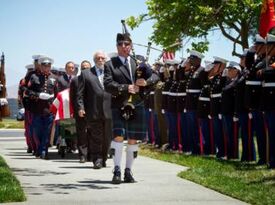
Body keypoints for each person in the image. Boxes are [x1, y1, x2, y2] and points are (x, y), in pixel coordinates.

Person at [104, 33, 159, 184]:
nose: (124, 47)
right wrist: (125, 87)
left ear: (131, 45)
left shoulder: (139, 62)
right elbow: (108, 85)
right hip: (119, 105)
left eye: (127, 44)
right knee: (119, 137)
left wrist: (145, 82)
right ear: (117, 46)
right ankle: (116, 170)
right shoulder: (110, 64)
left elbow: (156, 77)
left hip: (137, 104)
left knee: (133, 139)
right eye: (121, 44)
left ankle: (128, 171)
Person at [77, 51, 112, 169]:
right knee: (96, 136)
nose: (100, 60)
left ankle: (104, 157)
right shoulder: (86, 74)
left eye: (103, 58)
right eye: (98, 58)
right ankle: (97, 159)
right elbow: (80, 94)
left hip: (109, 110)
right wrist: (81, 107)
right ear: (94, 60)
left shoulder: (111, 72)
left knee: (107, 137)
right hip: (93, 110)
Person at [27, 56, 56, 159]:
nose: (46, 67)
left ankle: (44, 150)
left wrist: (53, 97)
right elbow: (27, 91)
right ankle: (39, 148)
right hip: (37, 109)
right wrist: (37, 95)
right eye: (44, 65)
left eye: (48, 65)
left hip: (49, 109)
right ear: (40, 66)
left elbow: (57, 93)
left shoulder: (54, 78)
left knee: (47, 131)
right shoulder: (34, 77)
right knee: (37, 130)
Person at [70, 60, 91, 163]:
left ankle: (91, 154)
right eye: (83, 68)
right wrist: (76, 110)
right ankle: (82, 155)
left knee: (93, 133)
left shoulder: (95, 79)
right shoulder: (75, 81)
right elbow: (72, 97)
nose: (85, 70)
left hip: (93, 111)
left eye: (87, 68)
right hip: (80, 111)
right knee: (81, 134)